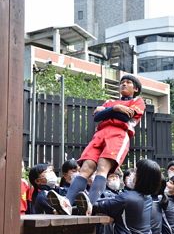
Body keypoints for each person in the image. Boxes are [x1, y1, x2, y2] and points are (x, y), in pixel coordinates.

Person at [47, 74, 145, 215]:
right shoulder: (111, 101)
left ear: (135, 88)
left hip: (118, 134)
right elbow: (97, 117)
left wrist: (107, 111)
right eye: (122, 82)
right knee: (86, 168)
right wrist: (115, 109)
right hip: (100, 133)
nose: (124, 84)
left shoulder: (138, 101)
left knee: (102, 167)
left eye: (128, 82)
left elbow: (125, 117)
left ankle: (90, 205)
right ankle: (67, 202)